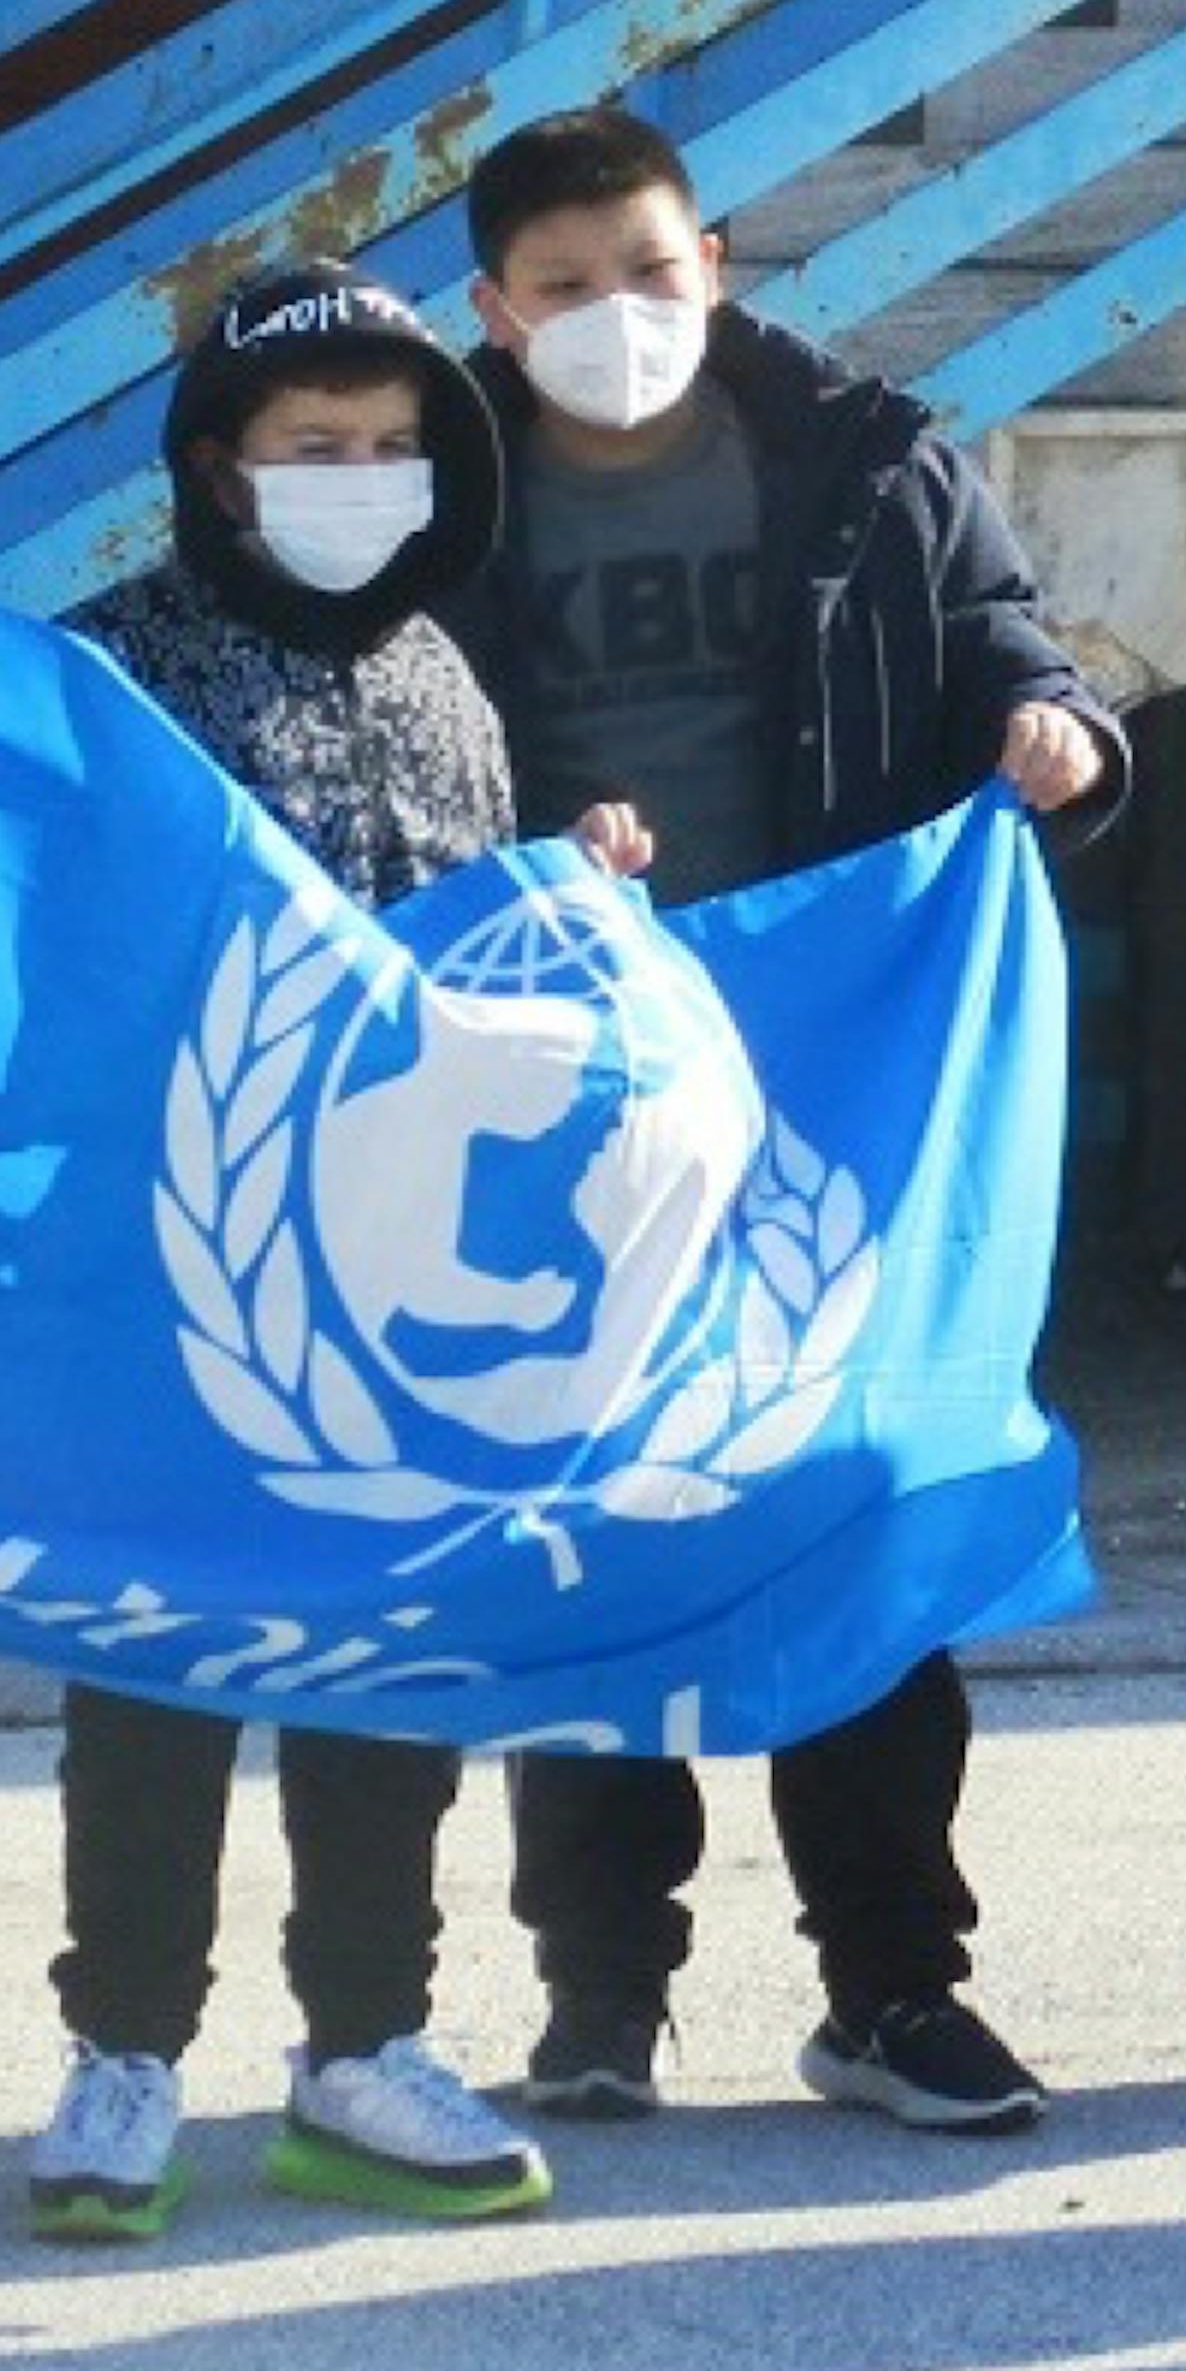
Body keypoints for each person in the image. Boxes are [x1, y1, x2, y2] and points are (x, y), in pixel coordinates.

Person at [439, 105, 1127, 2137]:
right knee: (591, 1528)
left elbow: (1012, 638)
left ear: (717, 260)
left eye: (647, 272)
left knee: (859, 1498)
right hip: (568, 1085)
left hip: (837, 1071)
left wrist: (1062, 734)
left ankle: (896, 1986)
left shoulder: (865, 458)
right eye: (561, 288)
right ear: (490, 308)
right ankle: (598, 1992)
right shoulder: (433, 497)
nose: (612, 316)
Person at [22, 258, 613, 2243]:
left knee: (388, 1661)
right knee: (160, 1663)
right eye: (312, 448)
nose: (358, 478)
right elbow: (42, 936)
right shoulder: (104, 672)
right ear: (216, 466)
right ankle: (123, 2052)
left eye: (389, 449)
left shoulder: (447, 675)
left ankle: (365, 2041)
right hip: (176, 1269)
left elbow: (474, 953)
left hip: (397, 1290)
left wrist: (573, 898)